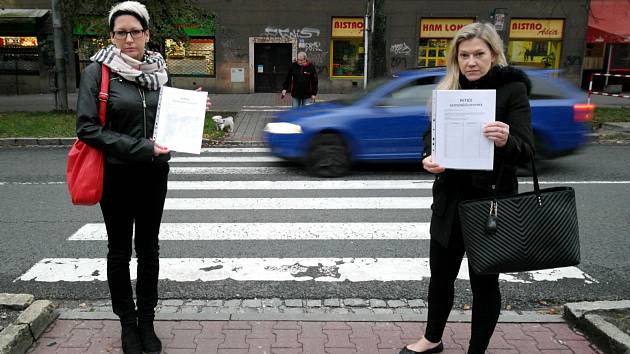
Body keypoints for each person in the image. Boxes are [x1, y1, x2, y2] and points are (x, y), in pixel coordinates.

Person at [76, 2, 210, 353]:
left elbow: (166, 118)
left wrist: (191, 109)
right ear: (112, 36)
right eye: (121, 32)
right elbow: (87, 128)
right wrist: (142, 148)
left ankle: (147, 321)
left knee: (149, 250)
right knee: (119, 251)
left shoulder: (160, 70)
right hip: (116, 176)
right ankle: (127, 324)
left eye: (135, 31)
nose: (129, 38)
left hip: (154, 175)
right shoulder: (98, 72)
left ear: (147, 34)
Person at [400, 22, 534, 354]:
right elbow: (429, 138)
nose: (471, 62)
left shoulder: (511, 90)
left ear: (494, 54)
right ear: (456, 59)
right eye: (464, 56)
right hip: (450, 201)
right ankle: (432, 339)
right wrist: (428, 157)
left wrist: (506, 140)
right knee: (440, 277)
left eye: (478, 54)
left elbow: (527, 149)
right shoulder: (450, 90)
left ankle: (476, 350)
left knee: (484, 283)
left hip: (490, 204)